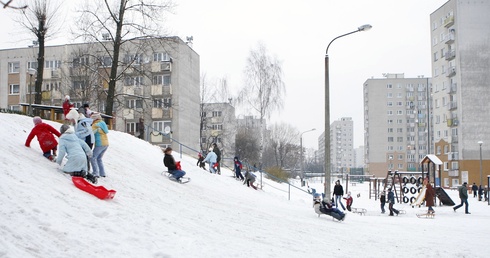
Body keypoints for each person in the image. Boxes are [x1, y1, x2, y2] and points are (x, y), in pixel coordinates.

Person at [90, 112, 109, 178]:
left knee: (93, 157)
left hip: (99, 143)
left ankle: (95, 173)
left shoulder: (95, 125)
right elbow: (106, 131)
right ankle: (102, 173)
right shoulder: (103, 123)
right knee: (99, 158)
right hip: (106, 144)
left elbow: (90, 132)